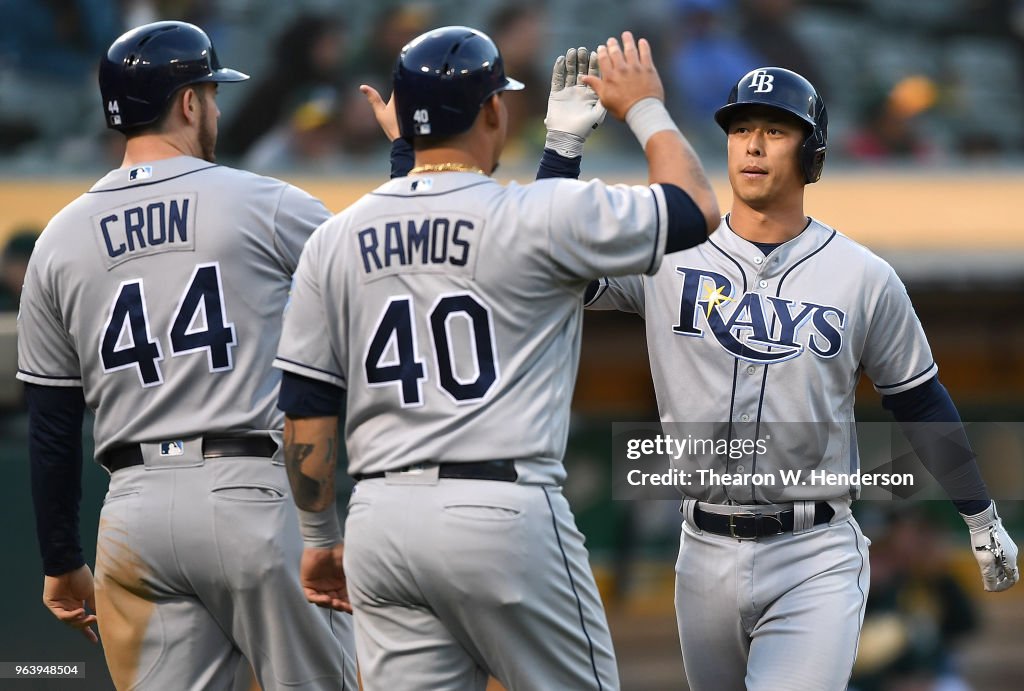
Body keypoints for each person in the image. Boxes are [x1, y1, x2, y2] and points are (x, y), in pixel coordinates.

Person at [272, 25, 719, 690]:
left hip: (380, 521)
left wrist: (316, 536)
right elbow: (694, 209)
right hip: (502, 512)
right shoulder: (532, 214)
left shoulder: (335, 238)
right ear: (492, 111)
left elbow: (306, 411)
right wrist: (644, 106)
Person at [583, 66, 1019, 690]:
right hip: (701, 546)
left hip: (812, 551)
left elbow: (921, 402)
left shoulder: (862, 276)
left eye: (775, 130)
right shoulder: (667, 253)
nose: (754, 145)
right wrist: (561, 151)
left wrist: (979, 515)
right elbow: (553, 266)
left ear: (812, 153)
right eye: (741, 129)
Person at [16, 21, 357, 690]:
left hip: (132, 512)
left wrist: (61, 557)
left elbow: (52, 421)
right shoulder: (263, 202)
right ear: (189, 102)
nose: (216, 107)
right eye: (211, 92)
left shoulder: (57, 239)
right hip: (249, 491)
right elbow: (379, 278)